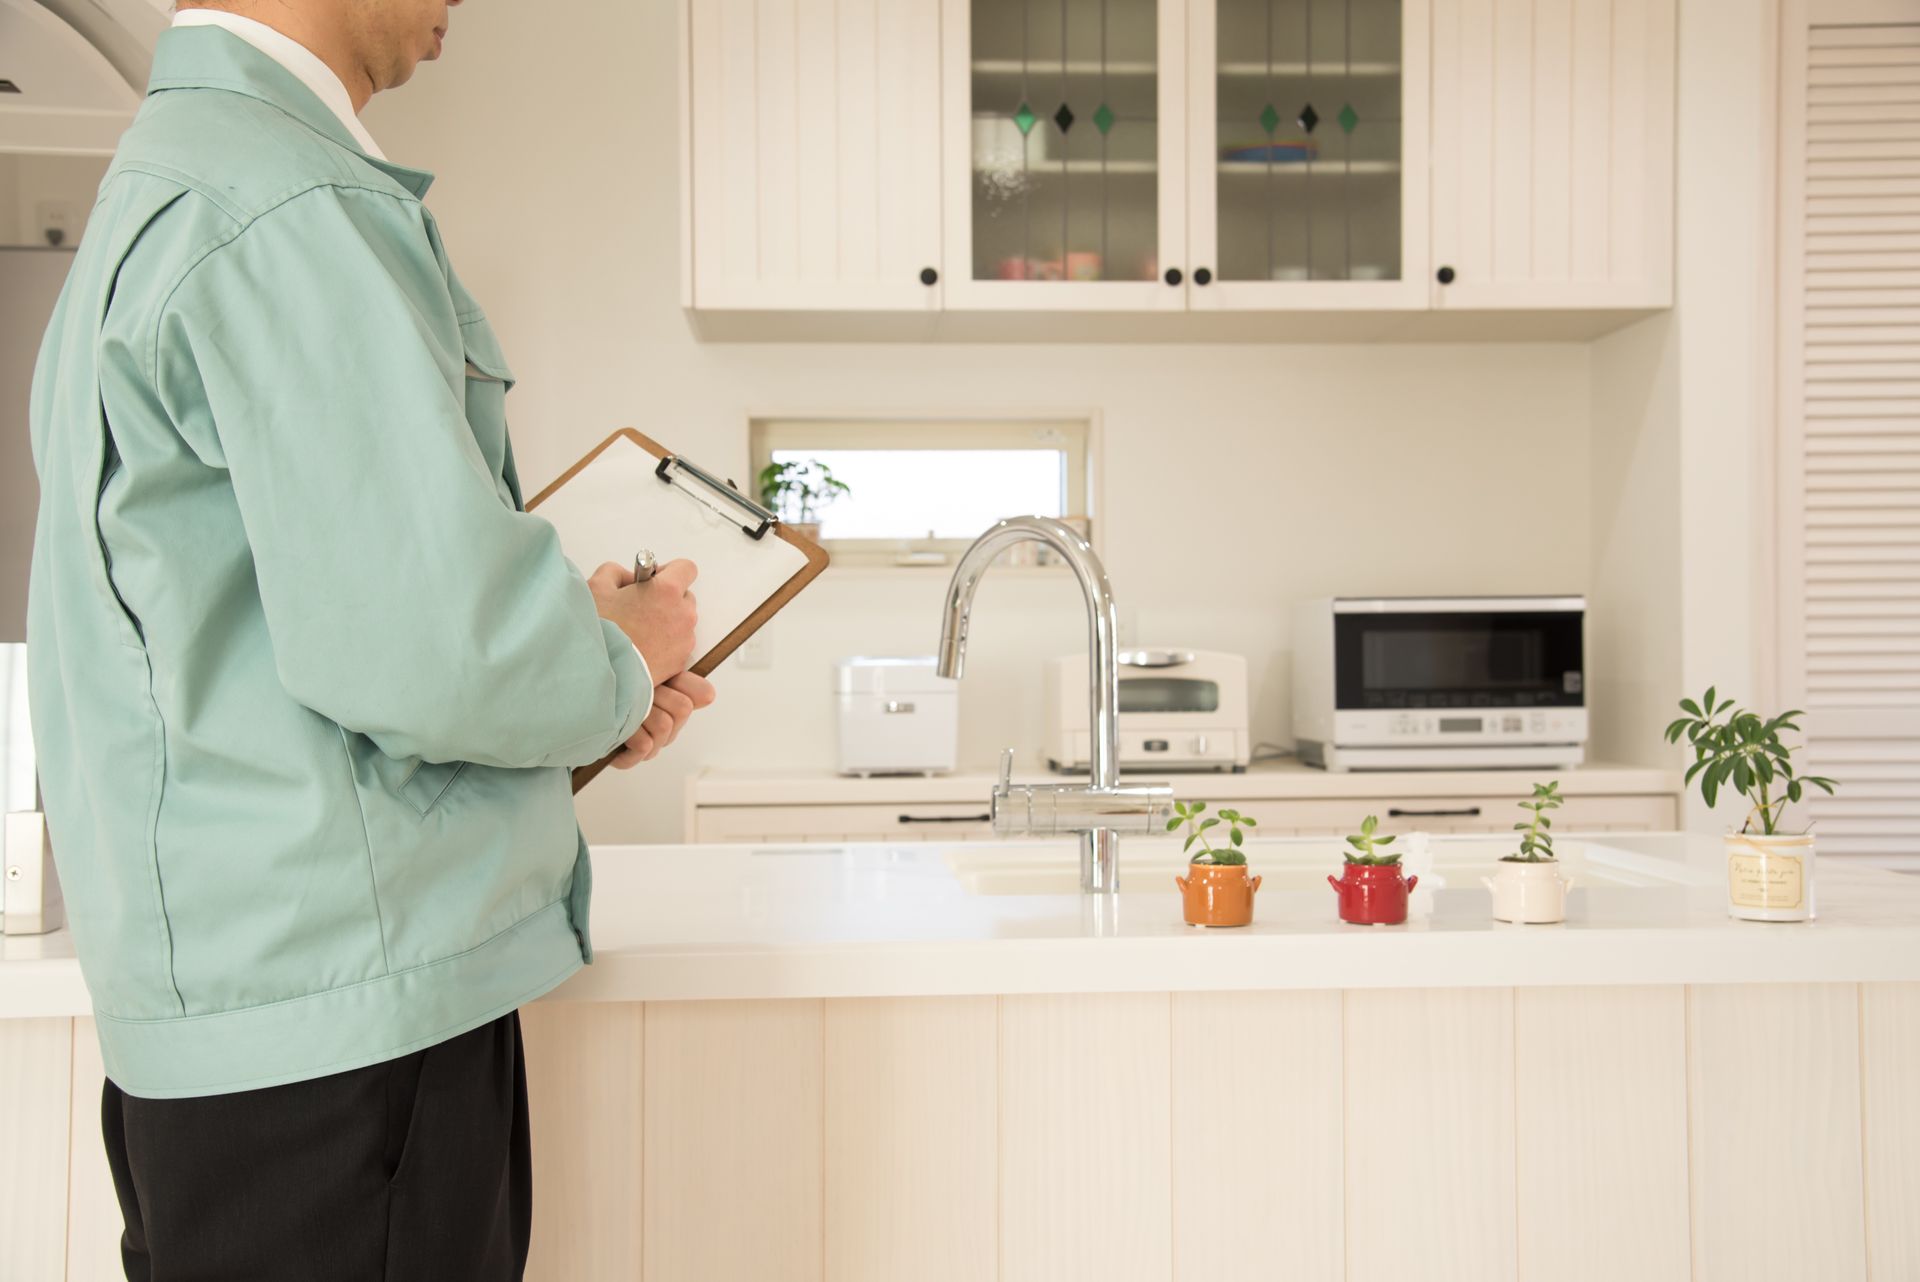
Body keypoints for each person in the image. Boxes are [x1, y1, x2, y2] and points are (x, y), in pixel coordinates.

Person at [25, 2, 710, 1277]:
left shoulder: (176, 175)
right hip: (342, 1049)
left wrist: (592, 700)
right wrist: (621, 646)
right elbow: (436, 646)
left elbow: (268, 641)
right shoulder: (284, 206)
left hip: (244, 1031)